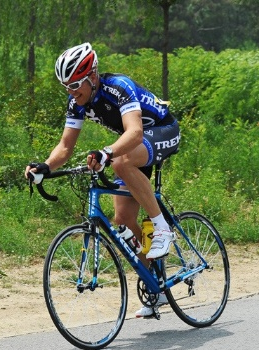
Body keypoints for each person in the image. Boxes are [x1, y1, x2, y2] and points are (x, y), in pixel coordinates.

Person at [25, 42, 181, 317]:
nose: (72, 93)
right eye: (67, 87)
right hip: (134, 149)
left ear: (92, 76)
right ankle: (155, 285)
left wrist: (106, 153)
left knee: (120, 161)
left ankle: (162, 229)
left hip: (161, 130)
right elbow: (65, 146)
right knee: (122, 221)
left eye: (76, 85)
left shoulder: (118, 87)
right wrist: (45, 167)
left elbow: (134, 132)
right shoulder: (77, 101)